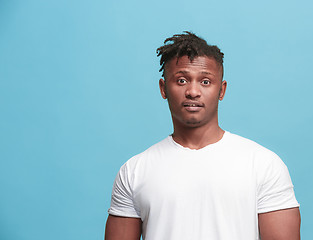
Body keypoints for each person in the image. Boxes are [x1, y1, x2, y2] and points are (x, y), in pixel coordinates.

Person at [105, 31, 301, 240]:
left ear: (222, 90)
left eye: (205, 81)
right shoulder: (134, 171)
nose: (193, 91)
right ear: (163, 88)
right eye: (181, 80)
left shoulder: (263, 164)